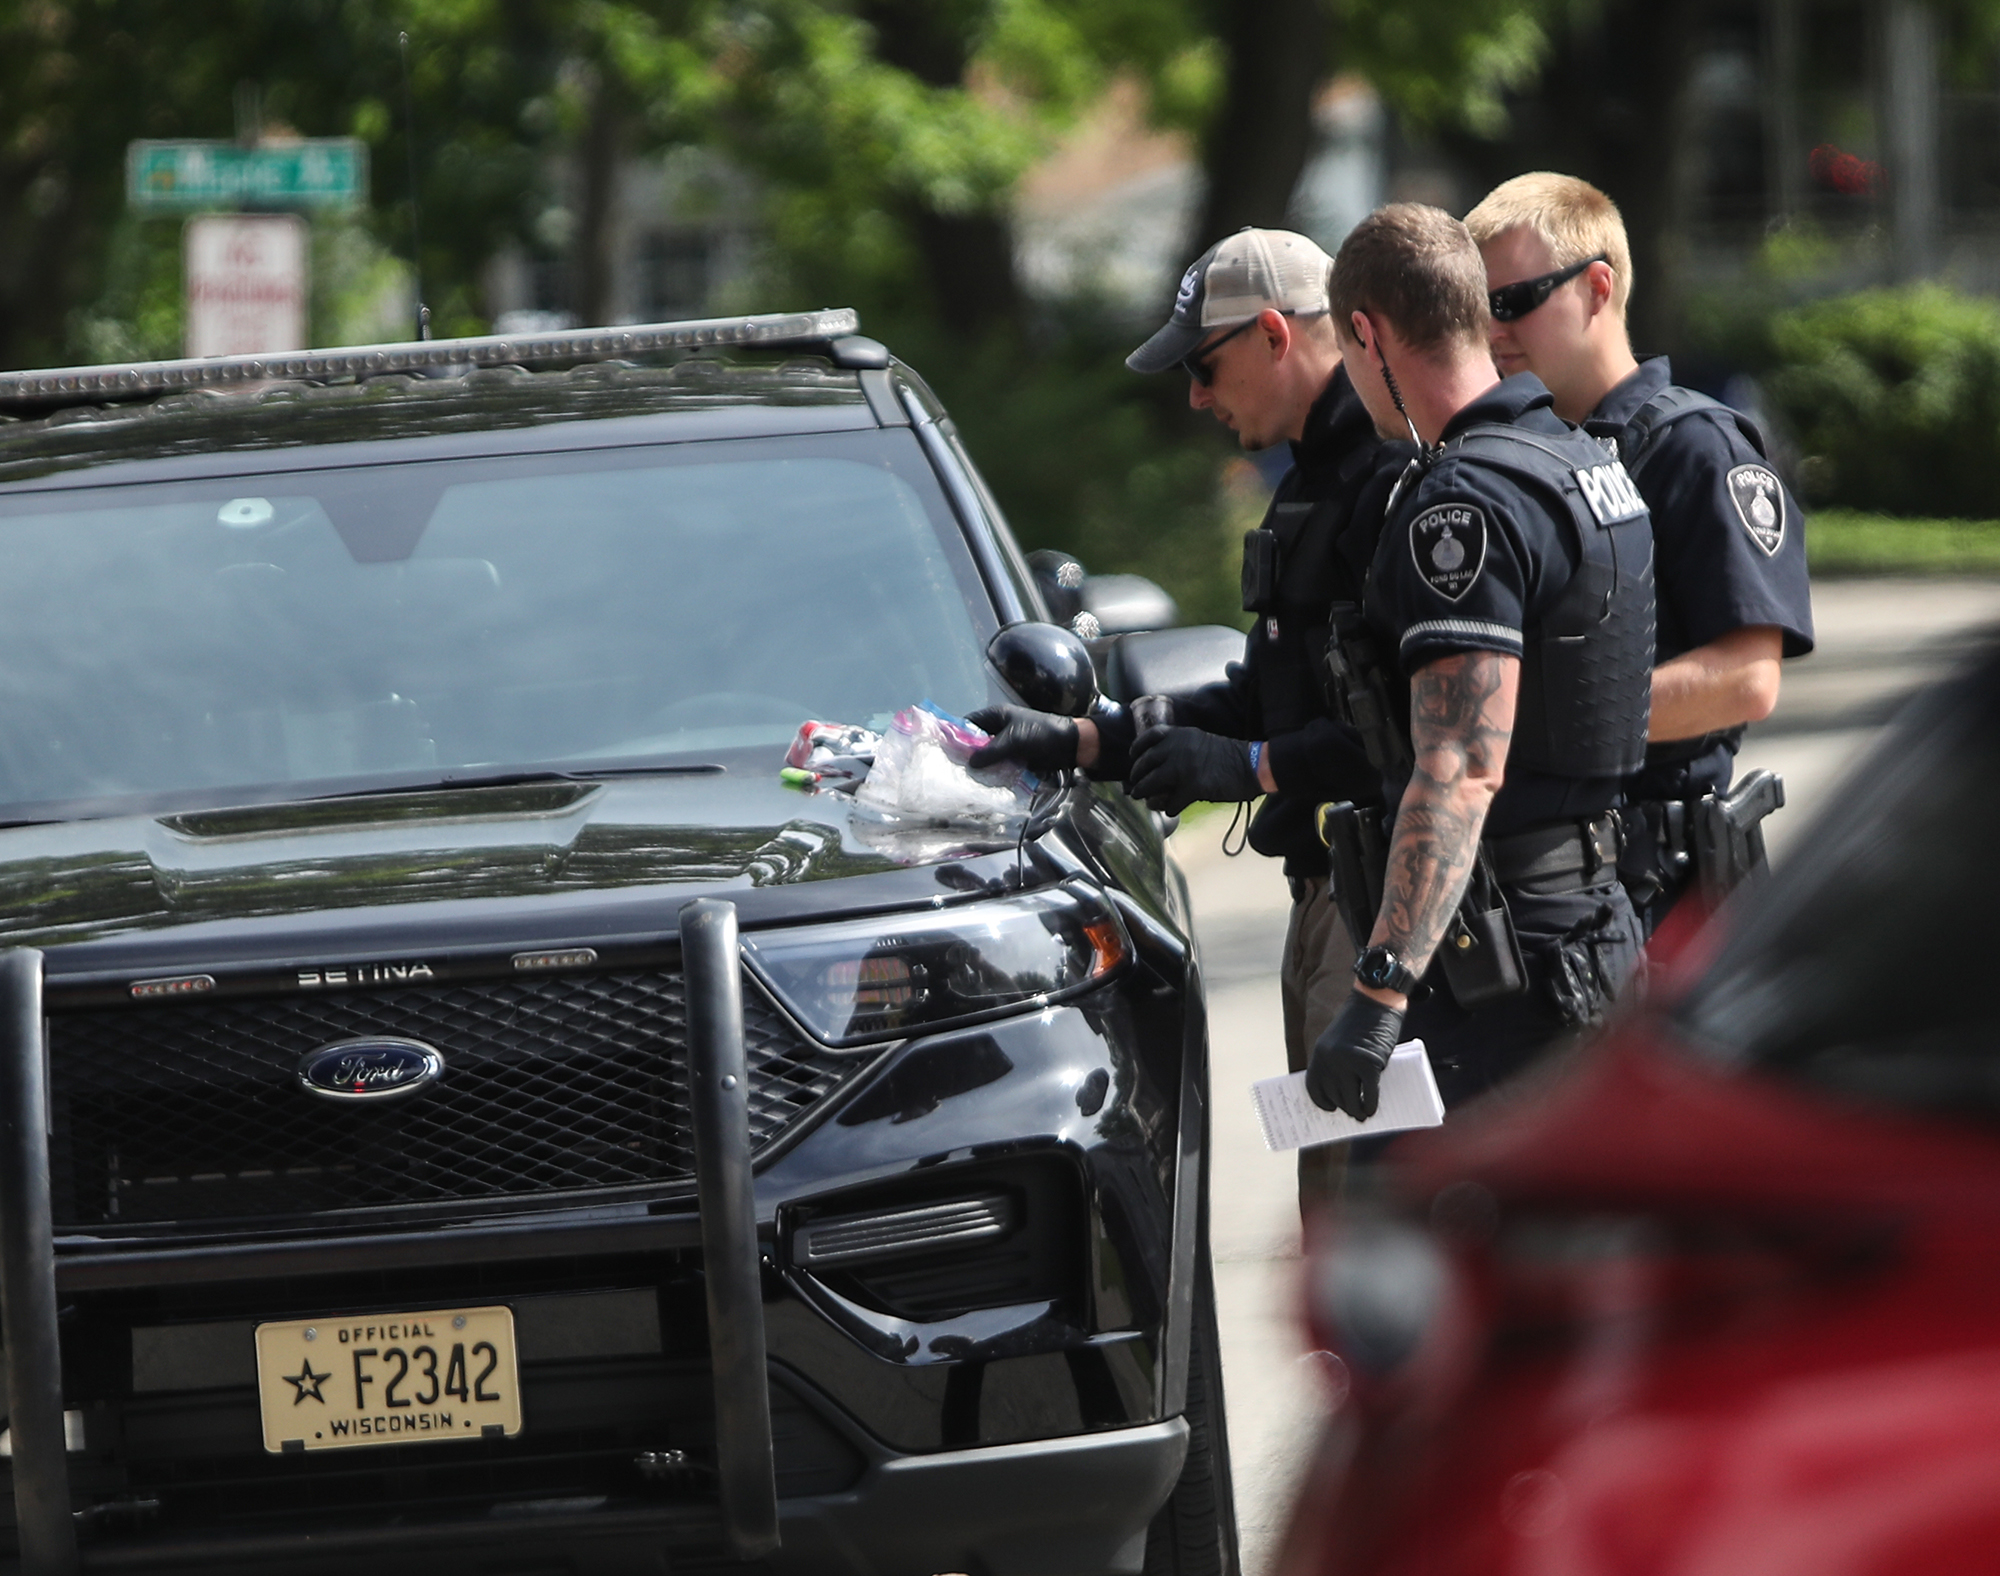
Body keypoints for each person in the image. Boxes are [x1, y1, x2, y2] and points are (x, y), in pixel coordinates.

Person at [972, 228, 1403, 1210]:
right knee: (1338, 1227)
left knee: (1372, 1237)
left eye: (1204, 369)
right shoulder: (1316, 484)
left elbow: (1422, 743)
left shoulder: (1389, 481)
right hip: (1326, 894)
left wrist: (1247, 764)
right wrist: (1089, 738)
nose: (1197, 398)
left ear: (1270, 335)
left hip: (1383, 900)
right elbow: (1265, 695)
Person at [1304, 203, 1654, 1124]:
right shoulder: (1582, 460)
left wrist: (1379, 993)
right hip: (1598, 927)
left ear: (1369, 333)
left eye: (1345, 352)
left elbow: (1459, 765)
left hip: (1504, 967)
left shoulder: (1459, 503)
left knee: (1420, 1249)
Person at [1464, 174, 1814, 934]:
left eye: (1513, 301)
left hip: (1665, 892)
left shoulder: (1697, 447)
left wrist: (1532, 724)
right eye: (1476, 308)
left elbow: (1747, 679)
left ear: (1597, 288)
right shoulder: (1512, 458)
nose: (1493, 332)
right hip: (1547, 891)